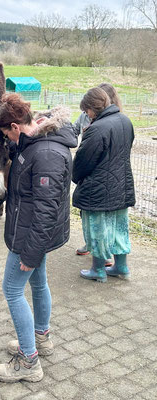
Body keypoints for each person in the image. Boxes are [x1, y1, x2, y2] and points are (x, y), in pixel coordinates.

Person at [0, 94, 77, 383]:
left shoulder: (47, 153)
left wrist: (30, 252)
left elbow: (46, 209)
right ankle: (41, 338)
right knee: (39, 284)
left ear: (16, 126)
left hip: (30, 236)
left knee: (12, 290)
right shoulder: (36, 142)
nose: (8, 139)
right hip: (32, 233)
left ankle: (29, 362)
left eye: (6, 134)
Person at [72, 87, 135, 283]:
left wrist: (76, 177)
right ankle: (121, 267)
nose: (86, 114)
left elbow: (83, 161)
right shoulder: (125, 121)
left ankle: (98, 270)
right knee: (119, 228)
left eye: (86, 110)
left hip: (97, 190)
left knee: (97, 229)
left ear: (93, 108)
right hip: (122, 186)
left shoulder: (97, 129)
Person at [74, 83, 123, 263]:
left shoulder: (108, 123)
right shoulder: (85, 117)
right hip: (94, 173)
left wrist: (76, 173)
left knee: (101, 219)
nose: (87, 114)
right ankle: (93, 246)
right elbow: (74, 130)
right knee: (89, 216)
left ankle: (101, 259)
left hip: (99, 175)